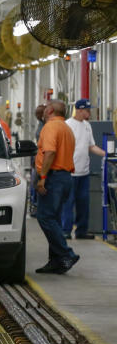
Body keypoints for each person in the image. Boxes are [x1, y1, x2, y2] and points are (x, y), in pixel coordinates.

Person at [33, 100, 79, 274]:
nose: (43, 112)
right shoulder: (66, 128)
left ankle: (66, 254)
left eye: (45, 109)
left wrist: (43, 177)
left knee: (45, 217)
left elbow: (50, 152)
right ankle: (56, 261)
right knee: (55, 219)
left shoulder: (50, 127)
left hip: (53, 177)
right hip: (65, 177)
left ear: (50, 110)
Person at [63, 98, 107, 239]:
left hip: (84, 172)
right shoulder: (67, 125)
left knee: (83, 203)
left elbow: (91, 146)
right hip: (70, 172)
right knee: (68, 203)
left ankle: (81, 231)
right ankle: (66, 230)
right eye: (88, 110)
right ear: (80, 110)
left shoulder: (87, 126)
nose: (89, 113)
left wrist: (106, 155)